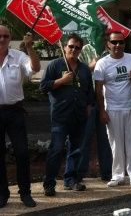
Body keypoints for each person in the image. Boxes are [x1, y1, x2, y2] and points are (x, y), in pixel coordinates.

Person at [40, 33, 94, 196]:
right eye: (71, 46)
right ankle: (49, 183)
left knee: (76, 149)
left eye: (77, 47)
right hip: (61, 116)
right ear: (65, 47)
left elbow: (89, 91)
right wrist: (61, 81)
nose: (74, 50)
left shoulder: (84, 68)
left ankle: (71, 180)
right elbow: (43, 86)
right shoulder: (55, 65)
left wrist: (89, 107)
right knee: (56, 149)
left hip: (79, 116)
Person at [94, 31, 131, 188]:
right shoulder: (102, 63)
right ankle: (118, 175)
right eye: (114, 42)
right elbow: (98, 90)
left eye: (121, 42)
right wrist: (102, 111)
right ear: (108, 44)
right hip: (112, 108)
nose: (118, 45)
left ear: (125, 44)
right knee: (116, 144)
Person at [0, 27, 39, 207]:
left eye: (6, 36)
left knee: (22, 153)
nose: (2, 39)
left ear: (11, 38)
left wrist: (30, 48)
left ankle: (25, 193)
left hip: (15, 111)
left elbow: (35, 68)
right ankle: (2, 194)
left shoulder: (19, 56)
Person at [69, 39, 112, 183]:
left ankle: (108, 173)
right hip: (88, 103)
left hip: (105, 103)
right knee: (84, 140)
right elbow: (76, 72)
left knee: (105, 140)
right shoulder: (85, 49)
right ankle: (78, 176)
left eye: (103, 34)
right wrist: (93, 64)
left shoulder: (111, 52)